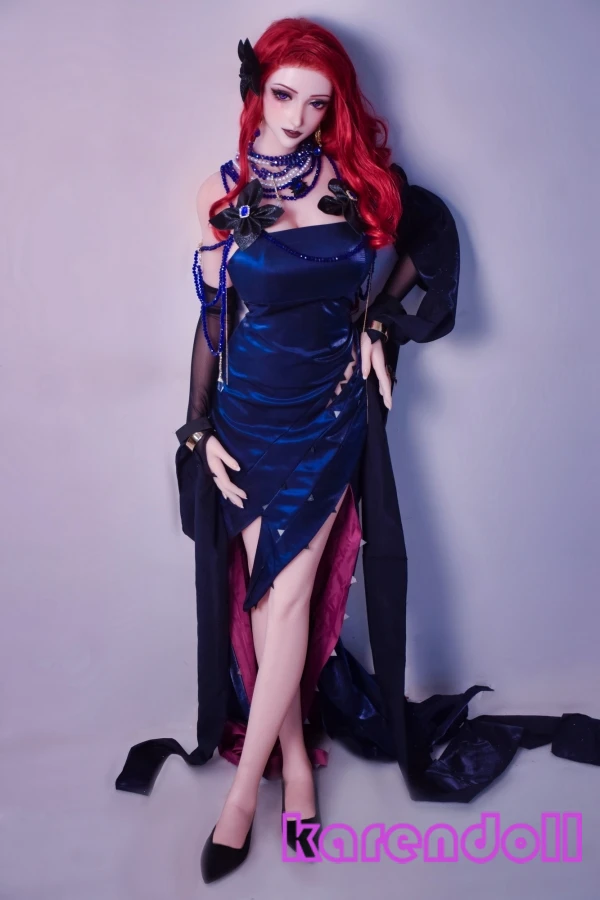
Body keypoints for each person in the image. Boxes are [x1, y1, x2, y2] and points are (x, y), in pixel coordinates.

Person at [115, 16, 600, 886]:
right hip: (247, 420)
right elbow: (215, 320)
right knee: (265, 605)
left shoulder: (357, 183)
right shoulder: (220, 195)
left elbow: (426, 233)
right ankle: (295, 763)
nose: (297, 116)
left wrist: (377, 324)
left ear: (335, 104)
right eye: (283, 94)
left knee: (292, 599)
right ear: (255, 91)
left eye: (317, 101)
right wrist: (197, 427)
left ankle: (247, 799)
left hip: (329, 417)